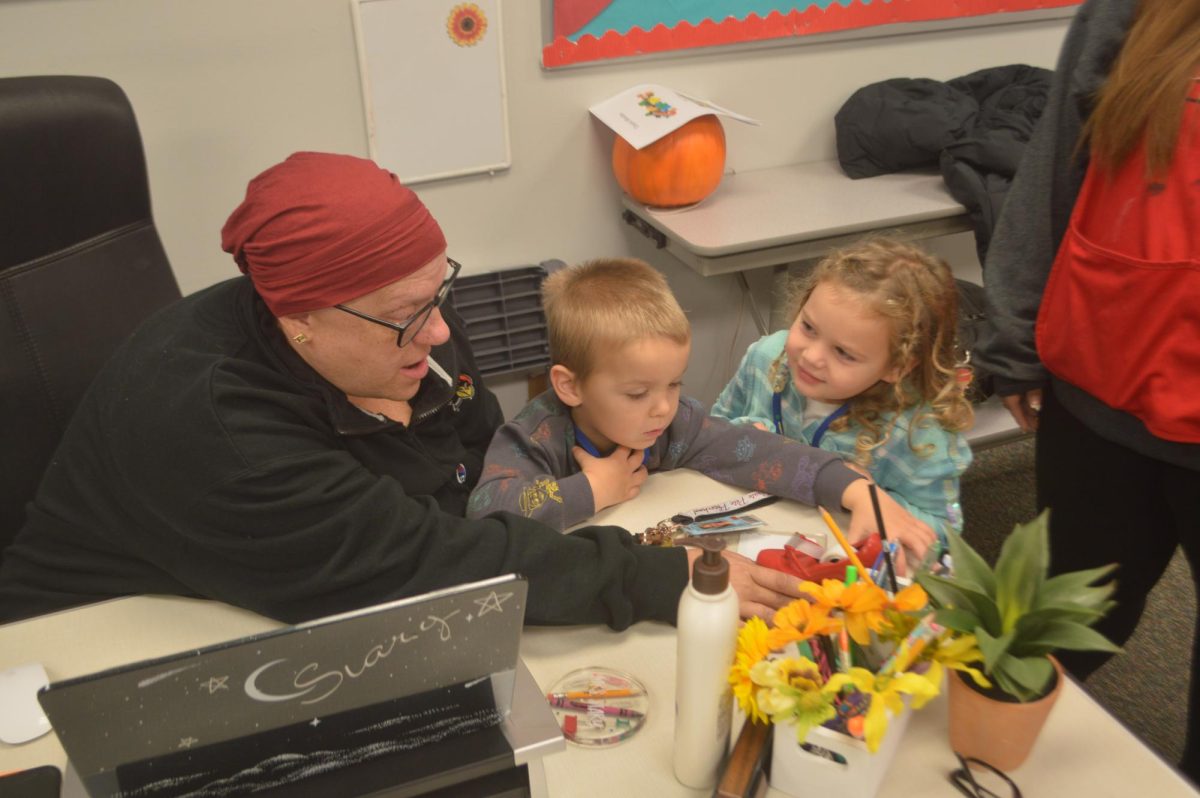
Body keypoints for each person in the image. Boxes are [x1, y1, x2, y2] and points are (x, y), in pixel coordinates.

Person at [0, 152, 807, 626]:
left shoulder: (401, 307)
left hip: (309, 581)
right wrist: (657, 578)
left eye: (437, 293)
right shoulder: (215, 430)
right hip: (104, 635)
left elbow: (468, 457)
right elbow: (425, 565)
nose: (441, 333)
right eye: (405, 317)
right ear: (300, 321)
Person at [973, 0, 1200, 779]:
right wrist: (1019, 338)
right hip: (1104, 394)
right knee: (1041, 634)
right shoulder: (1139, 12)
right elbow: (1056, 165)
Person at [466, 258, 931, 555]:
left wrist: (851, 488)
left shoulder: (676, 423)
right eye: (637, 393)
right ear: (570, 387)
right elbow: (486, 513)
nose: (663, 408)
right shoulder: (535, 434)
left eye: (674, 383)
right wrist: (593, 487)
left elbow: (758, 452)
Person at [712, 238, 974, 553]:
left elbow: (945, 534)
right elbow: (711, 430)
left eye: (843, 353)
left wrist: (866, 495)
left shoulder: (920, 433)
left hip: (843, 563)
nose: (811, 356)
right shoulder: (765, 357)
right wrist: (745, 435)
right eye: (808, 327)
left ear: (896, 367)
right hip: (754, 535)